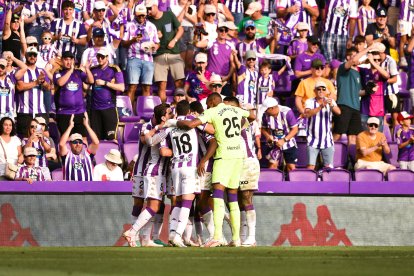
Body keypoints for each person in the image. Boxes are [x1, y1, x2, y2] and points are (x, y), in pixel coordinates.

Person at [166, 93, 256, 247]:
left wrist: (172, 122)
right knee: (233, 197)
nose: (206, 106)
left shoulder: (212, 112)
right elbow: (253, 115)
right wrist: (238, 125)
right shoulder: (235, 110)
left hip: (223, 156)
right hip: (238, 157)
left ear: (213, 101)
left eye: (208, 103)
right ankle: (236, 239)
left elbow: (190, 125)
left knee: (218, 195)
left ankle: (217, 236)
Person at [123, 103, 173, 248]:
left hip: (158, 172)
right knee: (140, 204)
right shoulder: (148, 126)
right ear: (162, 117)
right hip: (143, 170)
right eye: (170, 113)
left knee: (157, 205)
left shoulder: (165, 129)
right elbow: (146, 140)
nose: (172, 115)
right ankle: (134, 234)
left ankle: (146, 238)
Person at [224, 96, 260, 247]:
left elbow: (252, 116)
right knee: (235, 202)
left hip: (247, 162)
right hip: (233, 163)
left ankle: (251, 237)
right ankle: (239, 237)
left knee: (246, 199)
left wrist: (237, 109)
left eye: (226, 106)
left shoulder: (241, 118)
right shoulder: (224, 120)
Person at [333, 45, 377, 153]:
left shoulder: (357, 73)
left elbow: (358, 92)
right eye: (353, 56)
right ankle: (326, 159)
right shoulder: (343, 68)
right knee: (337, 135)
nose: (356, 58)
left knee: (352, 137)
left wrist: (369, 91)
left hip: (355, 107)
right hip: (344, 105)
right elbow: (353, 60)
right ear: (348, 57)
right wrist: (367, 49)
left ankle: (349, 162)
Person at [147, 0, 185, 103]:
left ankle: (179, 107)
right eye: (147, 9)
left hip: (174, 52)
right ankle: (164, 109)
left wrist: (174, 40)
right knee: (161, 85)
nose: (148, 11)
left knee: (179, 82)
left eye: (150, 8)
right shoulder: (148, 21)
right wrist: (155, 38)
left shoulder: (169, 14)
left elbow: (180, 29)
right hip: (159, 55)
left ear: (155, 6)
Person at [123, 4, 159, 104]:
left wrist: (154, 47)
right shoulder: (130, 26)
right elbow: (124, 43)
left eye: (143, 15)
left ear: (146, 14)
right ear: (135, 15)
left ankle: (144, 111)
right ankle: (129, 112)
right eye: (139, 15)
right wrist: (133, 40)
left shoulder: (152, 26)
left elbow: (157, 42)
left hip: (148, 58)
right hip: (134, 58)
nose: (141, 17)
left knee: (147, 87)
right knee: (132, 86)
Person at [86, 48, 125, 141]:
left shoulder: (114, 69)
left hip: (109, 108)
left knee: (111, 139)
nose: (100, 59)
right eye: (98, 56)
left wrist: (105, 83)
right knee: (96, 140)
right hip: (95, 109)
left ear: (107, 57)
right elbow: (86, 85)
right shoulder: (93, 69)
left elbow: (121, 87)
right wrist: (86, 69)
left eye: (102, 57)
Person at [304, 81, 341, 170]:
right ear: (315, 91)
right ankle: (309, 183)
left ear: (326, 91)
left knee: (328, 167)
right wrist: (321, 106)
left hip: (327, 139)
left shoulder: (330, 101)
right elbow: (307, 114)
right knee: (310, 166)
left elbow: (339, 112)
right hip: (312, 139)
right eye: (318, 89)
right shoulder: (309, 101)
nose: (321, 91)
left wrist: (331, 104)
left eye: (323, 89)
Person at [15, 46, 51, 137]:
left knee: (44, 136)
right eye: (30, 55)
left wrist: (43, 82)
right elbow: (19, 87)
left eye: (34, 55)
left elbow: (48, 87)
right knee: (25, 137)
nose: (32, 57)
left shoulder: (41, 71)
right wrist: (36, 82)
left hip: (40, 111)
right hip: (25, 112)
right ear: (26, 56)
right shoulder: (20, 71)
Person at [53, 51, 89, 139]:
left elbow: (90, 81)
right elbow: (60, 83)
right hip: (64, 113)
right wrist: (70, 71)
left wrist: (87, 69)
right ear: (62, 60)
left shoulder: (78, 72)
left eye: (71, 59)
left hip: (79, 112)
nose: (68, 62)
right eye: (66, 59)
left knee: (82, 139)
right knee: (66, 139)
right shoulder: (58, 72)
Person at [260, 97, 298, 171]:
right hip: (273, 144)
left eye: (267, 110)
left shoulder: (287, 112)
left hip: (288, 142)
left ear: (272, 108)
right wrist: (268, 136)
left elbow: (295, 129)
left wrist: (284, 140)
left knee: (291, 167)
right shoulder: (265, 115)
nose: (265, 112)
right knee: (272, 167)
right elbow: (263, 128)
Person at [59, 113, 99, 181]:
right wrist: (70, 126)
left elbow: (96, 142)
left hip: (88, 188)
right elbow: (61, 144)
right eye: (75, 142)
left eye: (80, 142)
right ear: (70, 144)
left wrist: (86, 125)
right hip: (71, 188)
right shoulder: (67, 155)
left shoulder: (88, 154)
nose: (78, 144)